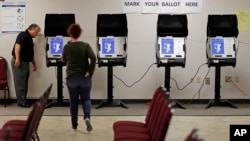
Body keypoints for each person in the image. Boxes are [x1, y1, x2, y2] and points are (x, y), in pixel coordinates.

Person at [61, 23, 96, 132]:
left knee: (73, 102)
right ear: (79, 33)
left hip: (72, 77)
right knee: (86, 99)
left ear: (70, 33)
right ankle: (87, 118)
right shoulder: (86, 45)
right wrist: (90, 72)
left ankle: (74, 126)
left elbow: (63, 60)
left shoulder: (67, 47)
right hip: (84, 77)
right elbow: (94, 58)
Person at [11, 23, 40, 108]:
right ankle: (21, 102)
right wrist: (17, 58)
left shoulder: (29, 38)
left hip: (25, 62)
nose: (37, 34)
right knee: (20, 83)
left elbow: (30, 53)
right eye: (37, 32)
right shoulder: (23, 35)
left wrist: (34, 63)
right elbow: (17, 45)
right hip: (19, 62)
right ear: (32, 29)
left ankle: (24, 100)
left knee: (24, 82)